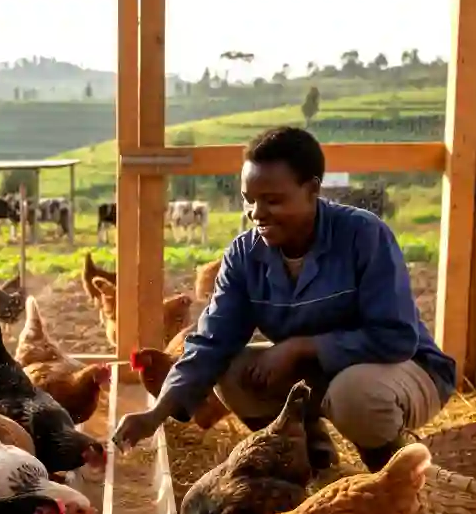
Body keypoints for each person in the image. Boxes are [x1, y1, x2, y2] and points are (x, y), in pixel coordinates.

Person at [111, 126, 456, 471]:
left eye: (273, 200)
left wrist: (299, 347)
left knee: (355, 395)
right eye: (249, 199)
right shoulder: (245, 256)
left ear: (312, 190)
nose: (257, 212)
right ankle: (312, 457)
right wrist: (154, 415)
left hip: (404, 368)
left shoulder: (363, 235)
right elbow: (210, 343)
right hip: (325, 374)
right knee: (232, 374)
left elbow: (396, 338)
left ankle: (395, 475)